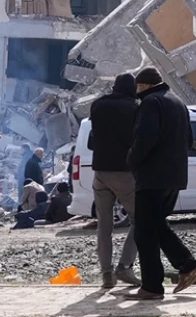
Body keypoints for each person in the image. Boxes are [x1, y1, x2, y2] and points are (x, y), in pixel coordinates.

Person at [126, 68, 196, 300]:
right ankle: (186, 266)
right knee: (154, 226)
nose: (137, 91)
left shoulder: (151, 103)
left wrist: (132, 159)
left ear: (145, 85)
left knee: (145, 232)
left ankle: (153, 286)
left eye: (138, 87)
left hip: (152, 177)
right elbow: (188, 139)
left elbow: (144, 138)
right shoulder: (177, 102)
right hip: (174, 176)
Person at [89, 73, 142, 288]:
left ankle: (106, 274)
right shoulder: (135, 108)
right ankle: (125, 266)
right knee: (142, 219)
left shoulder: (98, 105)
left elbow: (93, 140)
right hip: (123, 170)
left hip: (100, 171)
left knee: (104, 225)